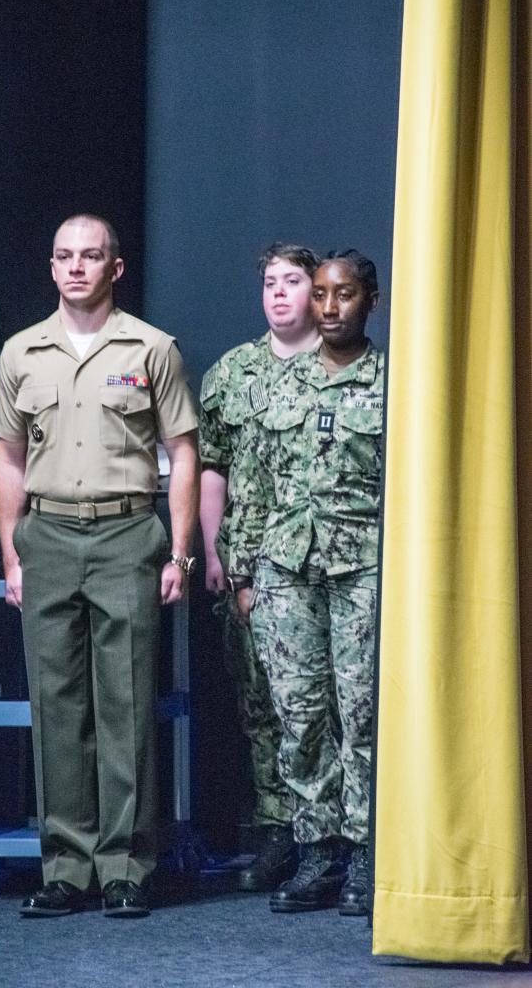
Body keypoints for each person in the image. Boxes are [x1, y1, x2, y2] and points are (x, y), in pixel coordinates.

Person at [0, 214, 199, 918]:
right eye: (63, 256)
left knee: (127, 703)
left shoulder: (151, 348)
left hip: (126, 533)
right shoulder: (22, 352)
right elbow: (9, 459)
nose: (76, 266)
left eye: (91, 256)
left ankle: (126, 865)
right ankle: (65, 867)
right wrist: (10, 554)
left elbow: (183, 452)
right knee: (57, 706)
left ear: (115, 268)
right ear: (51, 268)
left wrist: (180, 550)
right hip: (46, 536)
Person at [229, 250, 383, 917]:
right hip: (287, 570)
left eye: (342, 294)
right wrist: (241, 568)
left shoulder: (391, 381)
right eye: (318, 293)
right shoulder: (281, 385)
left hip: (362, 568)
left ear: (368, 300)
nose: (327, 307)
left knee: (362, 715)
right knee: (299, 717)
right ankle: (315, 848)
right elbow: (253, 481)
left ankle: (363, 850)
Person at [199, 243, 320, 890]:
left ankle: (328, 837)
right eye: (269, 282)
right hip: (248, 569)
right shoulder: (233, 373)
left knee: (322, 709)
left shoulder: (343, 368)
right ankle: (276, 832)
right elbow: (209, 467)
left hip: (322, 571)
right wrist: (214, 550)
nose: (278, 293)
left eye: (292, 281)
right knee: (260, 706)